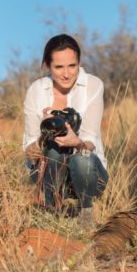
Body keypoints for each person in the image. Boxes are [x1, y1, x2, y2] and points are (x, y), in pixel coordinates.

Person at [23, 34, 108, 228]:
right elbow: (29, 151)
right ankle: (52, 211)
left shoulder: (93, 85)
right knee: (53, 149)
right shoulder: (36, 90)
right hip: (49, 171)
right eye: (58, 67)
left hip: (89, 174)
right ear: (47, 65)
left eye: (72, 66)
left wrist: (76, 142)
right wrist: (43, 137)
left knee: (82, 157)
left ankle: (85, 213)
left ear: (79, 63)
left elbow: (90, 140)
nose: (67, 74)